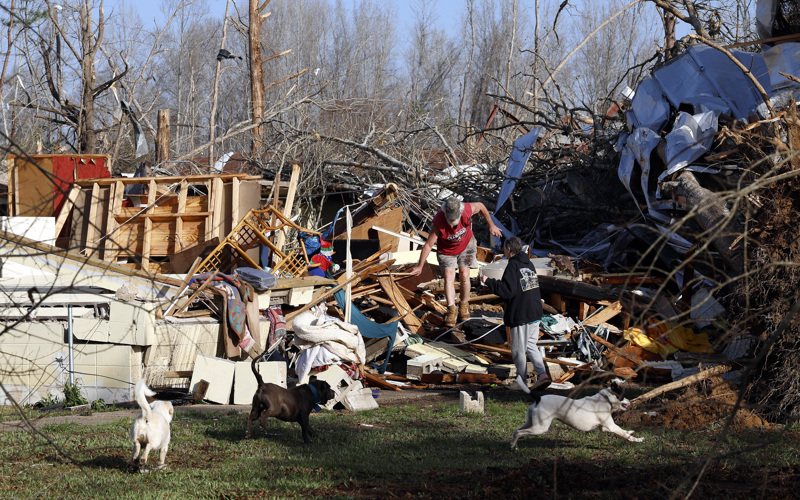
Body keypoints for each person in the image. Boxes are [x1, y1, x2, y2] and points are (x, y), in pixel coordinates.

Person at [410, 197, 502, 327]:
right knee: (449, 276)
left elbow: (481, 205)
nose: (452, 224)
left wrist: (491, 225)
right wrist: (420, 265)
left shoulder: (466, 210)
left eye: (454, 220)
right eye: (450, 220)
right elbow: (428, 245)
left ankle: (464, 305)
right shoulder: (439, 221)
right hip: (446, 250)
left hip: (467, 245)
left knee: (464, 274)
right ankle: (451, 309)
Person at [480, 236, 550, 392]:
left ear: (509, 250)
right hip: (535, 311)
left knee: (518, 349)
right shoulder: (529, 264)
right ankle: (542, 373)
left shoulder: (513, 266)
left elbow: (507, 291)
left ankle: (521, 381)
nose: (504, 252)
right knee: (531, 345)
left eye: (505, 249)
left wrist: (489, 281)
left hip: (521, 313)